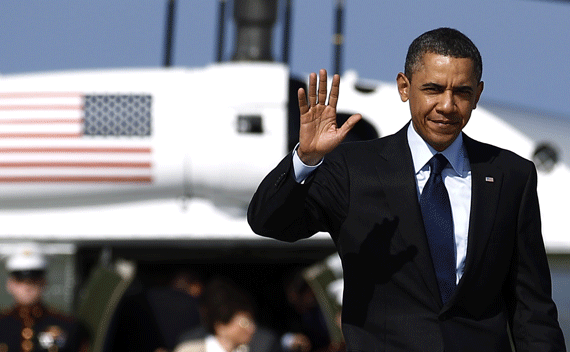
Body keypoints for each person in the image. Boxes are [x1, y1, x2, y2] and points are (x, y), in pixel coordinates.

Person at [248, 27, 566, 351]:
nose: (447, 105)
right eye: (433, 89)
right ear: (404, 87)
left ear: (478, 95)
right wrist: (306, 158)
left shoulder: (510, 175)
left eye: (462, 92)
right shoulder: (352, 169)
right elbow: (268, 221)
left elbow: (532, 309)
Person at [0, 243, 89, 352]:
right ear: (10, 285)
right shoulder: (2, 325)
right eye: (21, 281)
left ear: (44, 283)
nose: (27, 287)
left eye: (33, 281)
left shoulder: (68, 327)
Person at [173, 277, 257, 352]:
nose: (252, 328)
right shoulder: (188, 350)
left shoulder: (252, 349)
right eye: (244, 323)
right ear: (221, 326)